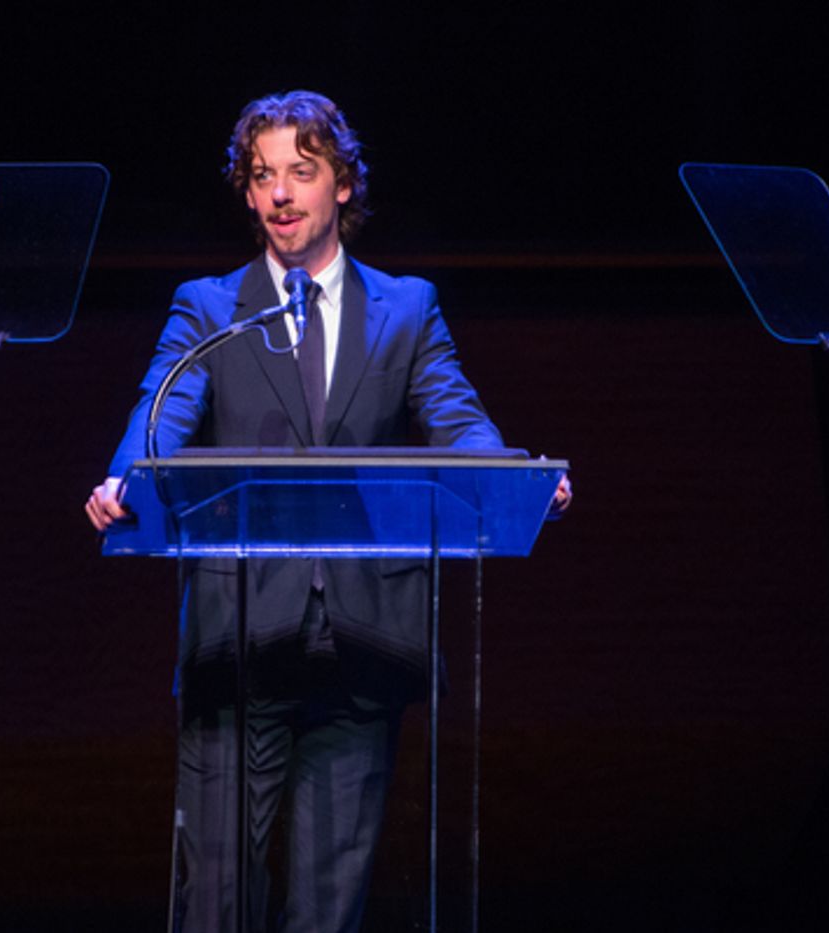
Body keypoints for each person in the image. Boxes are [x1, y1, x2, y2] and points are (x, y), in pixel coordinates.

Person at [86, 90, 570, 933]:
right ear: (246, 191)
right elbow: (159, 410)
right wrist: (126, 479)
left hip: (361, 643)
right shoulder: (210, 309)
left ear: (342, 184)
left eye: (301, 174)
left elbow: (458, 420)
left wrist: (516, 478)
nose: (279, 194)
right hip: (240, 644)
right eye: (263, 175)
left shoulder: (407, 308)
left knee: (327, 911)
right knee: (216, 905)